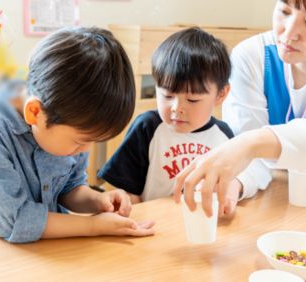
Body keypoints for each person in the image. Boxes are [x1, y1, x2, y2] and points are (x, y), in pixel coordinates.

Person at [0, 27, 155, 245]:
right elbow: (11, 221)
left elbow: (69, 188)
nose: (86, 150)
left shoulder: (68, 118)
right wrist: (93, 226)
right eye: (80, 141)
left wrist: (97, 201)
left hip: (49, 249)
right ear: (35, 112)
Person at [98, 27, 240, 216]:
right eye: (167, 95)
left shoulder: (224, 136)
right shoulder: (147, 127)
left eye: (192, 100)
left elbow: (231, 184)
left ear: (221, 95)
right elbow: (124, 188)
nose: (176, 107)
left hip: (201, 221)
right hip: (155, 224)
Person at [220, 0, 306, 201]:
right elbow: (248, 155)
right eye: (284, 11)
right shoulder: (253, 56)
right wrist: (237, 183)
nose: (289, 33)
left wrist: (257, 142)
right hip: (272, 197)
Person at [174, 114, 306, 216]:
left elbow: (251, 150)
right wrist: (237, 181)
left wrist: (252, 143)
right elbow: (255, 159)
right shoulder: (252, 65)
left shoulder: (221, 131)